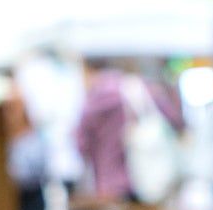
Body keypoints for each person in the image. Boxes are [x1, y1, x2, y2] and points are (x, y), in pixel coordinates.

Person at [73, 58, 184, 202]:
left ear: (88, 69)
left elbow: (81, 144)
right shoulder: (143, 89)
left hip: (110, 184)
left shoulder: (95, 97)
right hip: (149, 182)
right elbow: (177, 123)